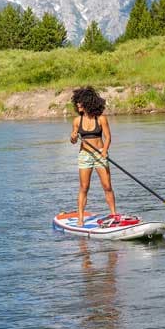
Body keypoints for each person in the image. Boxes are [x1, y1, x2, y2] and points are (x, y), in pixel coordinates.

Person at [69, 86, 116, 226]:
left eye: (80, 102)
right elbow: (73, 140)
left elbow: (108, 137)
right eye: (77, 102)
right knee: (84, 187)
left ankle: (114, 215)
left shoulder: (101, 119)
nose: (78, 104)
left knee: (107, 186)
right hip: (84, 155)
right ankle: (80, 218)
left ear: (88, 102)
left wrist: (104, 150)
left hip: (100, 153)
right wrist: (72, 137)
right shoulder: (77, 121)